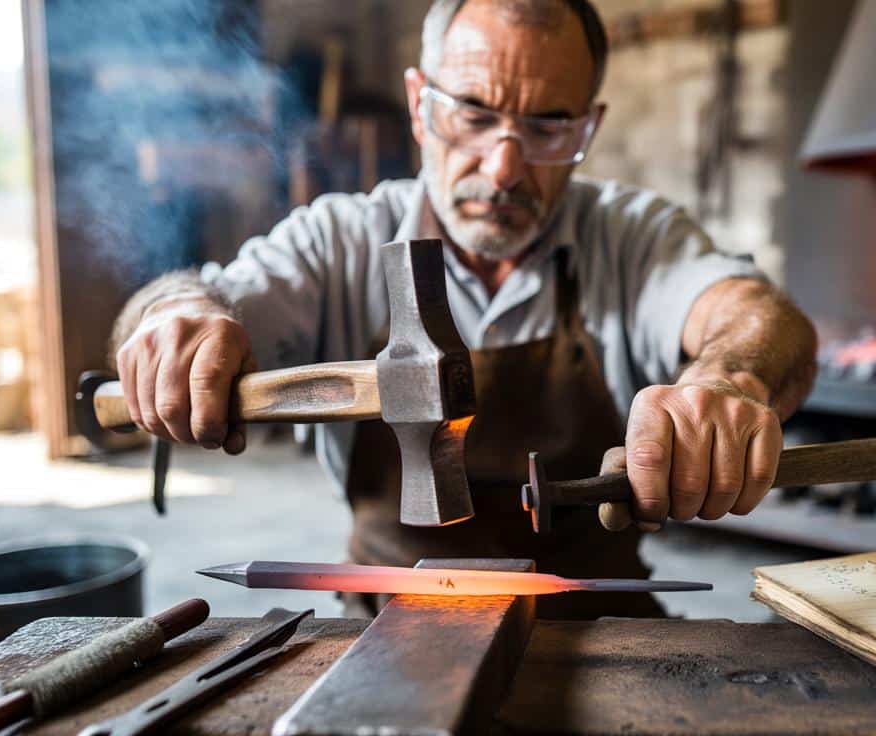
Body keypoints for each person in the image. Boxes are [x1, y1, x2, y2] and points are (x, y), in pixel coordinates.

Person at [109, 0, 817, 618]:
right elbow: (191, 302)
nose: (504, 167)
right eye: (474, 115)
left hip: (601, 623)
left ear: (589, 127)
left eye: (548, 127)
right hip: (389, 623)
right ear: (420, 105)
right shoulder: (338, 240)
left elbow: (757, 315)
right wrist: (174, 316)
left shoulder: (632, 238)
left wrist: (730, 377)